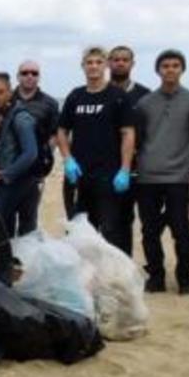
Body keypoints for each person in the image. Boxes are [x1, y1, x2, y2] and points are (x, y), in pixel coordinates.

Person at [134, 49, 189, 294]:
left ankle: (185, 280)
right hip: (147, 177)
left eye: (175, 65)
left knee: (181, 229)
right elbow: (139, 140)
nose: (170, 70)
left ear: (182, 69)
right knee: (149, 231)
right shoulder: (144, 104)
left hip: (178, 177)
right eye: (165, 66)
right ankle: (156, 277)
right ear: (158, 70)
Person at [55, 46, 136, 252]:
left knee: (110, 230)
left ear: (106, 65)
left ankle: (111, 278)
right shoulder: (75, 96)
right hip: (79, 176)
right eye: (89, 63)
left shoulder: (118, 96)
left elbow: (128, 133)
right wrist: (67, 159)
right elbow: (62, 131)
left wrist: (125, 169)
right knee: (80, 230)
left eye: (98, 62)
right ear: (83, 67)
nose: (94, 66)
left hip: (109, 175)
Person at [109, 45, 152, 257]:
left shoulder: (144, 96)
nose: (120, 63)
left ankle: (128, 265)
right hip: (106, 168)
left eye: (124, 59)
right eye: (115, 59)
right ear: (109, 63)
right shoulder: (100, 92)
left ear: (132, 64)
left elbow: (151, 132)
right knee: (109, 221)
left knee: (135, 221)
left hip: (137, 170)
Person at [0, 72, 40, 236]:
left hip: (18, 182)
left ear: (10, 92)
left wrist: (7, 173)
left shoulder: (20, 117)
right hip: (0, 182)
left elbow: (30, 153)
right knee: (3, 232)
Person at [11, 59, 60, 232]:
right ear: (18, 76)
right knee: (4, 218)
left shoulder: (50, 103)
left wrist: (45, 159)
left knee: (29, 218)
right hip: (7, 169)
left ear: (39, 77)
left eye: (34, 73)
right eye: (25, 73)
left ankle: (26, 258)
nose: (29, 76)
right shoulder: (6, 99)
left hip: (34, 172)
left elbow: (55, 134)